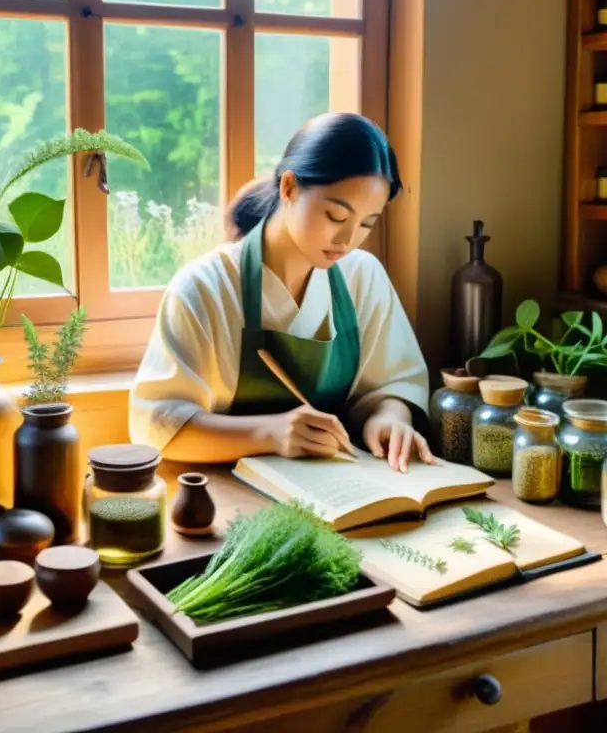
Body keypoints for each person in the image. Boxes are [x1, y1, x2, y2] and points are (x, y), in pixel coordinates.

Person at [129, 112, 432, 472]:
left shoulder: (362, 277)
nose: (347, 240)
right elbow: (156, 427)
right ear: (288, 187)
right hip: (228, 495)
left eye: (367, 223)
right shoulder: (206, 286)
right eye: (336, 216)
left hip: (339, 487)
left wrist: (388, 418)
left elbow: (395, 383)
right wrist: (270, 433)